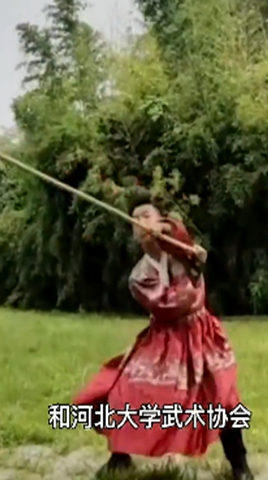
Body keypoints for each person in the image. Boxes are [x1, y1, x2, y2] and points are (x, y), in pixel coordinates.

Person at [73, 191, 253, 480]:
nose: (140, 223)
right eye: (134, 221)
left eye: (146, 216)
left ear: (160, 222)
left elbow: (185, 246)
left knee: (223, 396)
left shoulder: (184, 252)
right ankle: (120, 457)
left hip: (200, 334)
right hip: (163, 338)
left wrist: (171, 235)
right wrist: (187, 255)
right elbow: (172, 303)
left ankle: (240, 465)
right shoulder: (138, 277)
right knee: (123, 389)